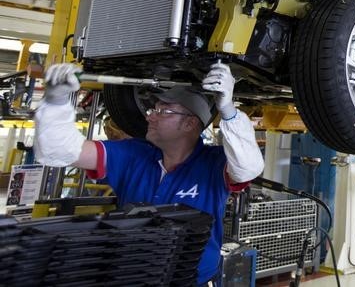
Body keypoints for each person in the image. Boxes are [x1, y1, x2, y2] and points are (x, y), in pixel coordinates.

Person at [33, 62, 264, 285]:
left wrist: (228, 111)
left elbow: (248, 168)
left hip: (191, 280)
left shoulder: (214, 163)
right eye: (154, 109)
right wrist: (56, 100)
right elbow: (58, 151)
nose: (149, 116)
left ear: (190, 124)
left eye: (163, 111)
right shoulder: (133, 154)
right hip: (131, 277)